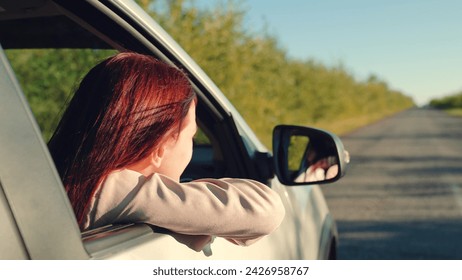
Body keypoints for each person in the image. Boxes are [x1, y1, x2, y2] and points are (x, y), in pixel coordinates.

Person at [48, 52, 285, 251]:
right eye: (190, 136)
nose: (190, 147)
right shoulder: (113, 190)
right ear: (160, 147)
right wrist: (187, 213)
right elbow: (266, 209)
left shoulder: (54, 175)